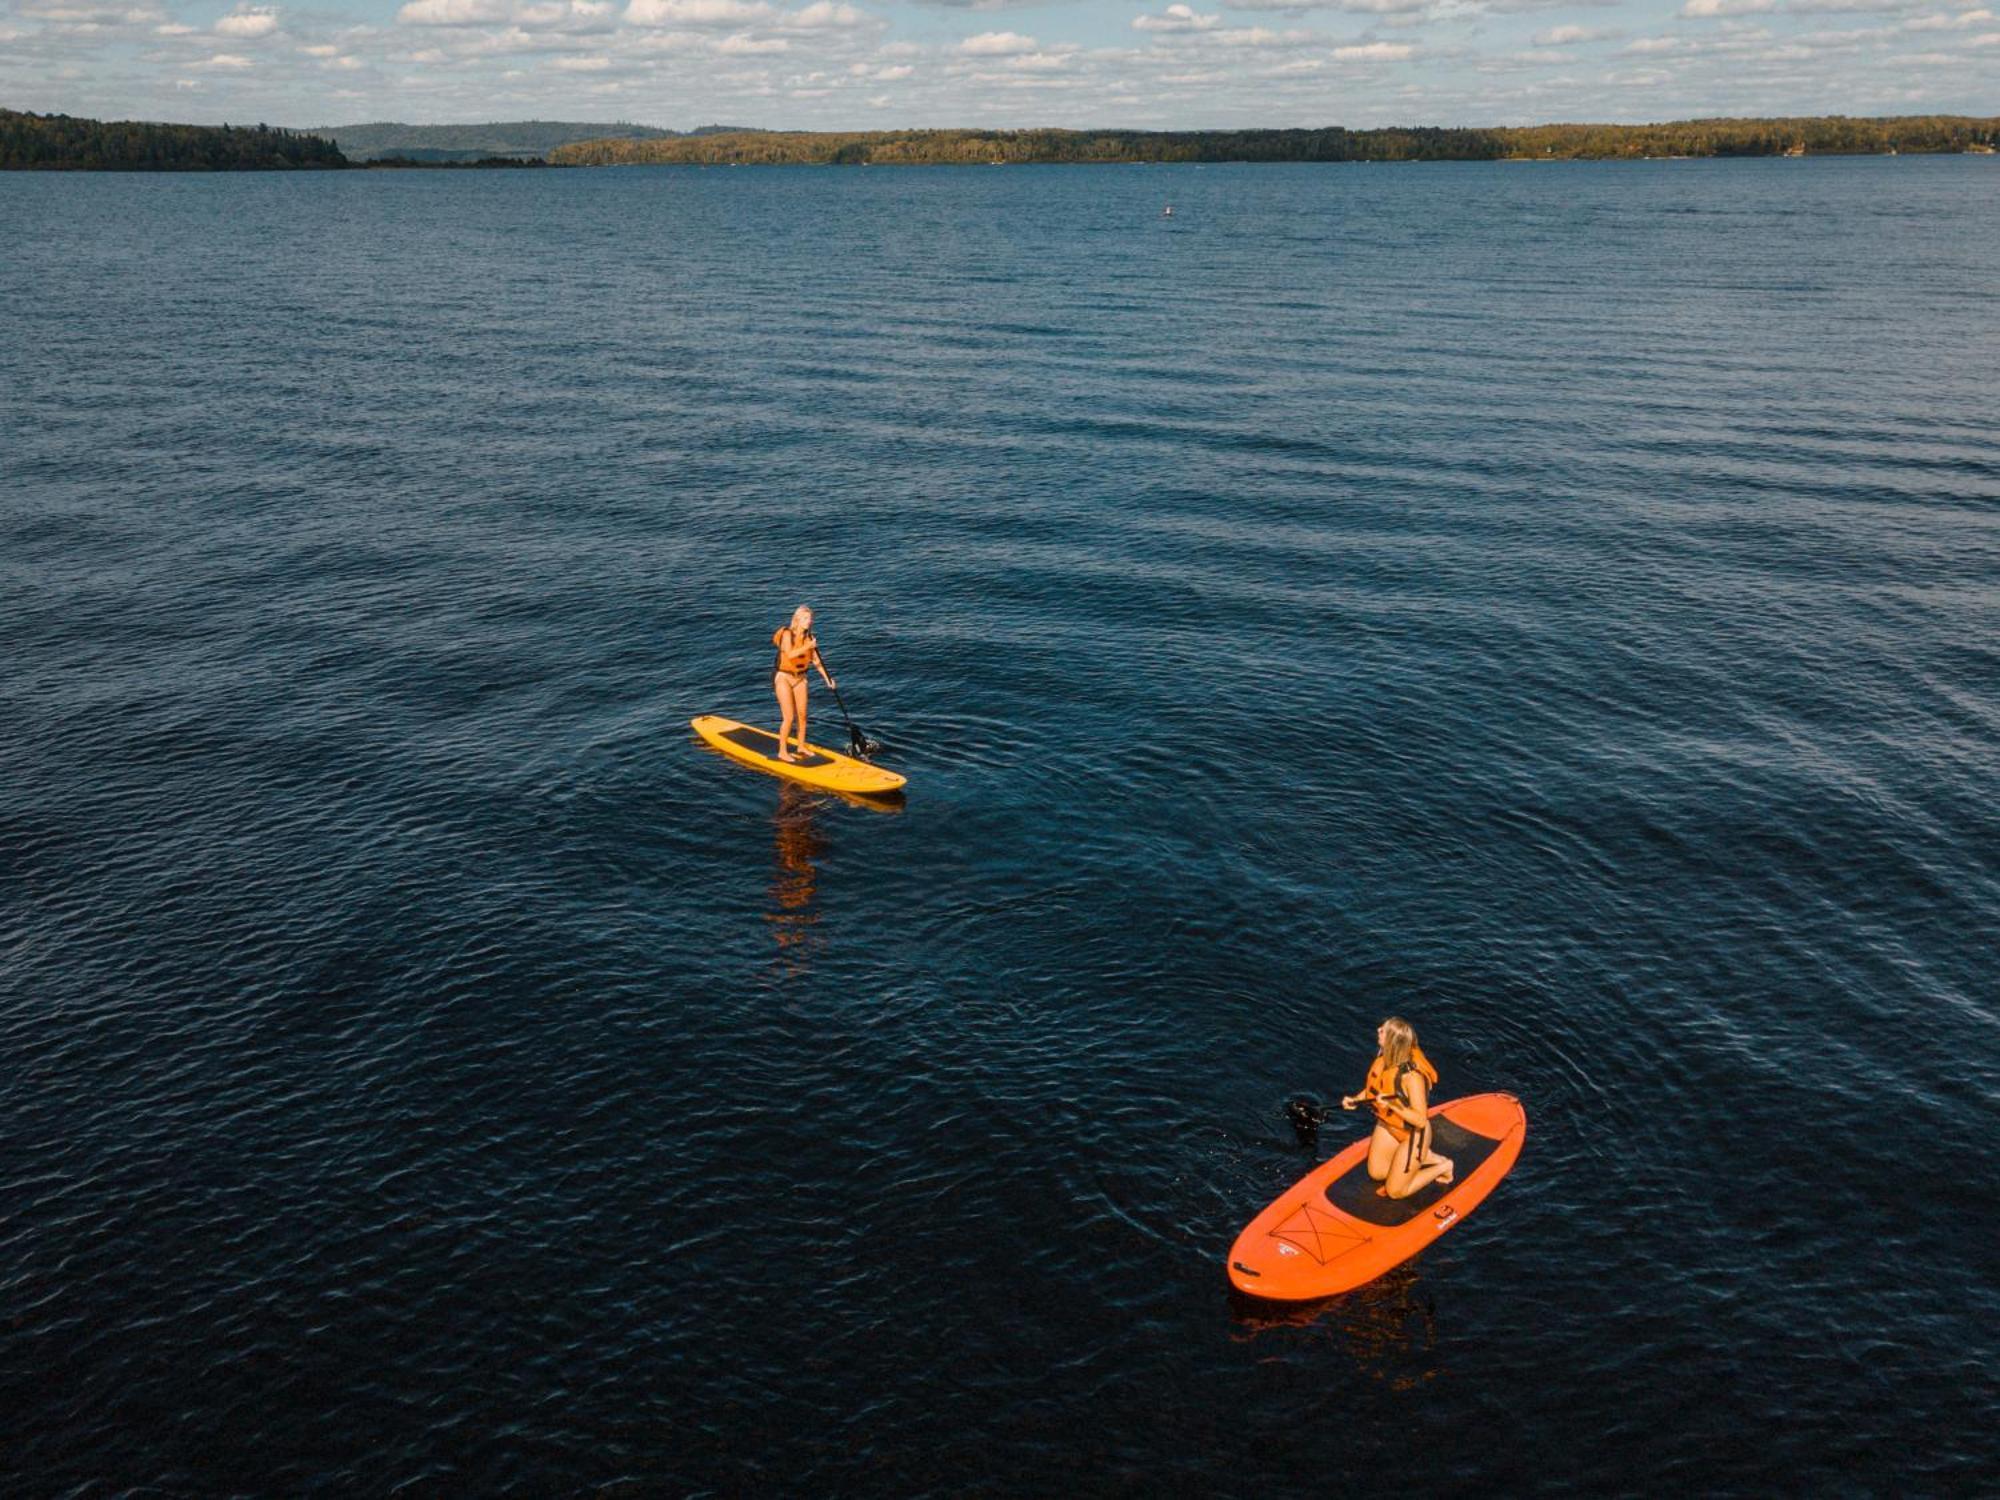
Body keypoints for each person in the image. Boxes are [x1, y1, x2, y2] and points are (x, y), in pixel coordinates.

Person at [1342, 1016, 1453, 1199]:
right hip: (1388, 1126)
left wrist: (1394, 1105)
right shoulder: (1383, 1060)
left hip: (1414, 1136)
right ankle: (1426, 1158)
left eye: (1383, 1030)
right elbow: (1375, 1089)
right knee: (1377, 1173)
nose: (1378, 1029)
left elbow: (1420, 1119)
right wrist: (1356, 1100)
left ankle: (1444, 1166)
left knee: (1395, 1192)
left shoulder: (1412, 1078)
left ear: (1392, 1041)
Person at [771, 605, 836, 763]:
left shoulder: (808, 638)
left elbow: (816, 661)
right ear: (797, 620)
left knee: (803, 716)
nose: (809, 621)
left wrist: (828, 679)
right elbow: (790, 654)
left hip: (800, 678)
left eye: (810, 618)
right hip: (784, 678)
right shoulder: (787, 633)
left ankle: (800, 746)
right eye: (805, 618)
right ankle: (782, 751)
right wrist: (809, 646)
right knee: (789, 717)